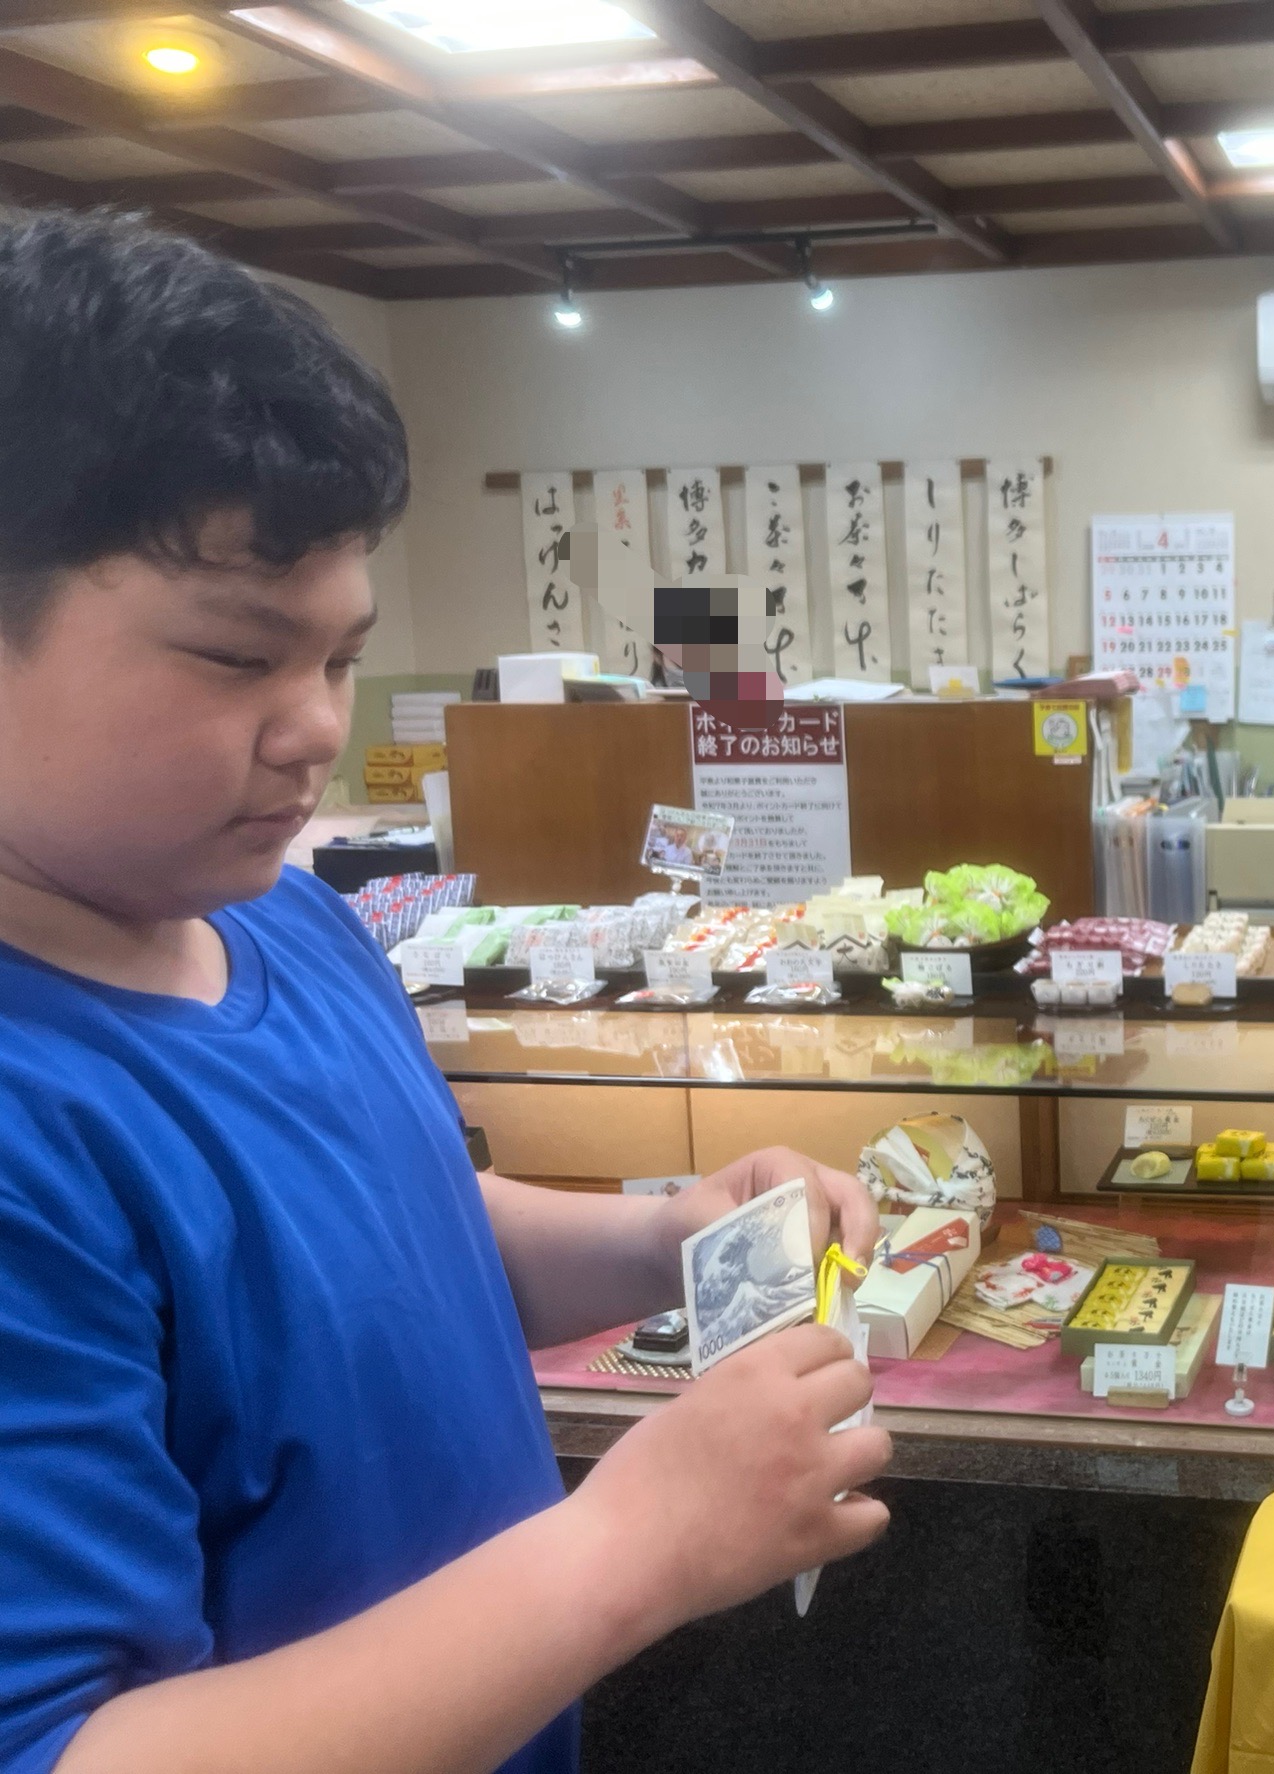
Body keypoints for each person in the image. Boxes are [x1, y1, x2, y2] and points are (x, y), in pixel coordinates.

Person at [0, 210, 887, 1774]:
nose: (314, 729)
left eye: (340, 659)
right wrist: (627, 1547)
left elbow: (396, 1233)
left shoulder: (287, 921)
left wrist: (661, 1239)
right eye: (236, 657)